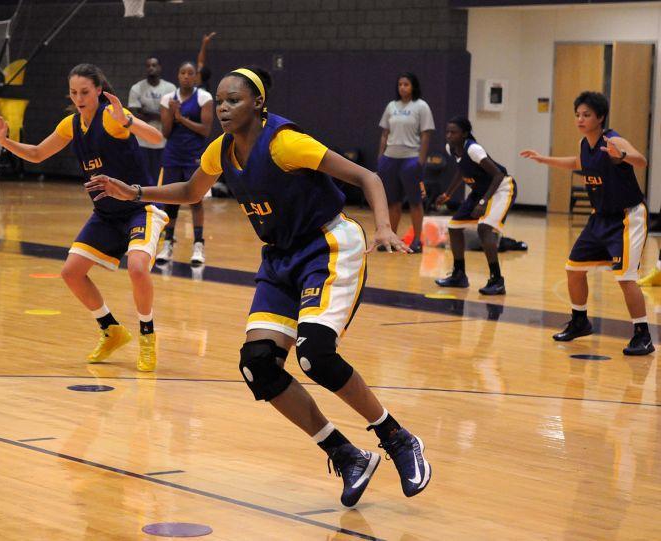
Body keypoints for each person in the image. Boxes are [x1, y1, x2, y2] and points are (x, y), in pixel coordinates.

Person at [86, 67, 432, 507]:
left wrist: (383, 227)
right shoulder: (221, 151)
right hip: (280, 258)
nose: (225, 108)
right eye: (222, 101)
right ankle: (347, 456)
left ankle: (398, 438)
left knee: (315, 355)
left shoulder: (286, 143)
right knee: (258, 365)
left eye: (235, 100)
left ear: (258, 104)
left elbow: (369, 177)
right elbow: (193, 191)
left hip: (326, 245)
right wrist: (134, 192)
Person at [0, 63, 169, 371]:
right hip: (106, 214)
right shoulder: (70, 125)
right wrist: (4, 141)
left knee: (137, 267)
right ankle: (111, 330)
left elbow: (156, 136)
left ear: (99, 90)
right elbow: (36, 154)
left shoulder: (112, 119)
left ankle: (147, 336)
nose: (79, 98)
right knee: (71, 272)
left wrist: (128, 121)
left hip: (140, 207)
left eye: (85, 91)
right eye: (74, 93)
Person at [521, 91, 653, 355]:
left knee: (626, 279)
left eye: (587, 115)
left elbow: (641, 161)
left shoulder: (612, 140)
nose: (580, 119)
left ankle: (643, 335)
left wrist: (622, 154)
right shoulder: (585, 143)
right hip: (599, 218)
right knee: (573, 269)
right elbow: (577, 163)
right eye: (578, 115)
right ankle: (580, 321)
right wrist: (543, 159)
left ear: (600, 117)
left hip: (627, 217)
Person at [435, 117, 517, 295]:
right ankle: (459, 275)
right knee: (454, 227)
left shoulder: (473, 149)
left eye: (453, 132)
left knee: (484, 228)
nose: (449, 136)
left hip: (502, 188)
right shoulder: (451, 149)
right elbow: (462, 171)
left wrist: (483, 201)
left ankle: (497, 280)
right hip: (481, 191)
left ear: (464, 134)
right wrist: (447, 194)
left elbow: (497, 175)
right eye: (447, 132)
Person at [156, 61, 214, 266]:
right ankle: (168, 243)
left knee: (195, 201)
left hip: (194, 157)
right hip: (172, 155)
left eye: (191, 73)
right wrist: (173, 115)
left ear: (196, 77)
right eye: (183, 72)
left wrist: (181, 117)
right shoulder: (167, 99)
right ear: (178, 76)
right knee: (170, 202)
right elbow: (166, 132)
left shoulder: (204, 98)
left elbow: (205, 130)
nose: (187, 76)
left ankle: (198, 245)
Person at [377, 72, 434, 253]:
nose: (402, 87)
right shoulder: (391, 106)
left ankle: (417, 240)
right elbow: (385, 133)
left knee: (415, 202)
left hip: (410, 159)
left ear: (413, 86)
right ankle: (392, 239)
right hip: (390, 159)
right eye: (400, 84)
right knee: (393, 202)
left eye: (406, 84)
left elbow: (426, 134)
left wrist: (421, 160)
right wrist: (381, 157)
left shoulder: (421, 106)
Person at [128, 56, 177, 185]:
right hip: (141, 140)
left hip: (163, 140)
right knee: (142, 174)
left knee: (159, 176)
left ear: (160, 68)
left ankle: (158, 204)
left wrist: (146, 112)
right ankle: (145, 203)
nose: (151, 68)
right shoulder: (136, 88)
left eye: (154, 65)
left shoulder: (170, 88)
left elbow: (173, 115)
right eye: (148, 65)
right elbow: (133, 115)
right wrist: (161, 114)